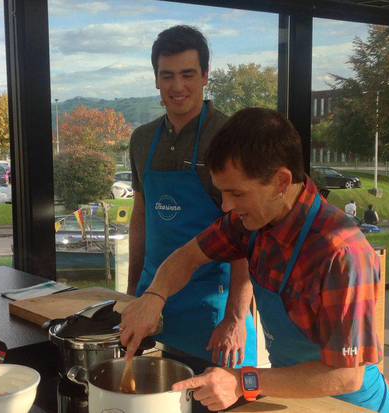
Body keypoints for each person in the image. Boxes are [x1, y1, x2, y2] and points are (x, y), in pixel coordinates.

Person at [120, 108, 389, 412]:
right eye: (222, 193)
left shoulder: (341, 253)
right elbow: (188, 256)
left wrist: (241, 381)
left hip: (351, 404)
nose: (226, 206)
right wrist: (154, 296)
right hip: (293, 395)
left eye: (236, 193)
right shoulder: (249, 224)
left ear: (281, 182)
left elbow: (346, 376)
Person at [126, 25, 256, 367]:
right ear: (156, 79)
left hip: (213, 311)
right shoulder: (141, 140)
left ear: (205, 76)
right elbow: (141, 219)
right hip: (155, 304)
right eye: (167, 76)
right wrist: (131, 296)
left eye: (188, 74)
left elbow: (246, 230)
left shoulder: (229, 136)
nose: (177, 86)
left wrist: (236, 319)